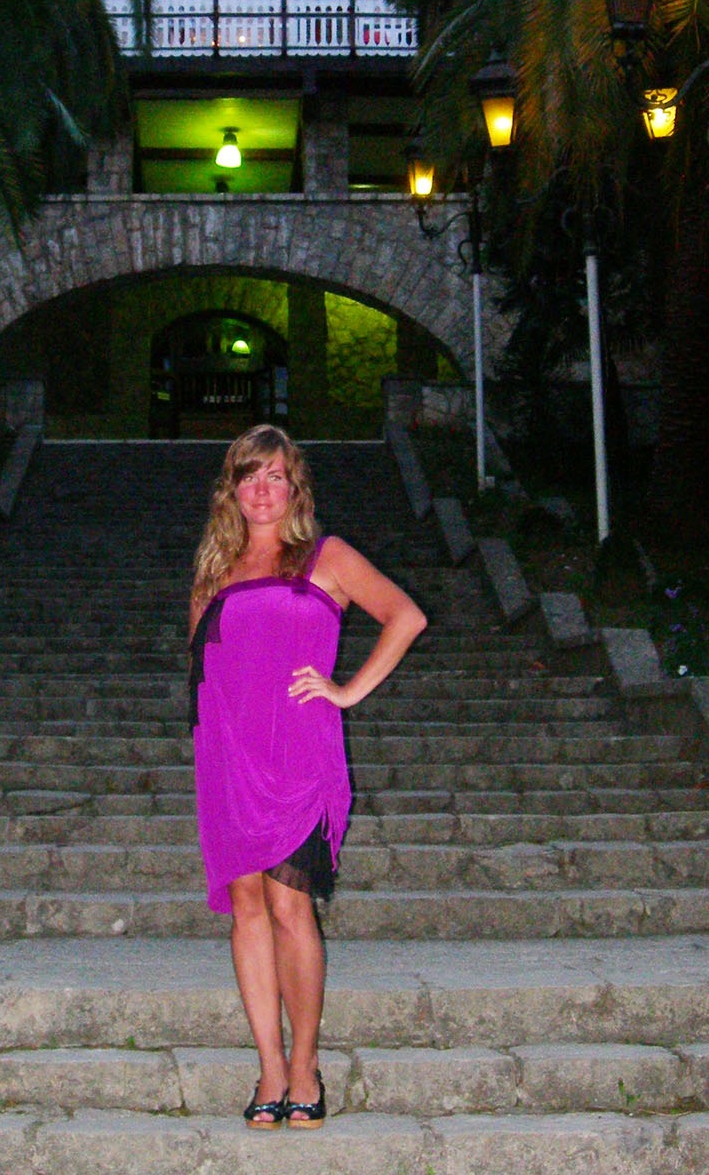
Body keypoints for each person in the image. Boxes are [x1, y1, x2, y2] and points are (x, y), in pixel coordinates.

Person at [188, 425, 427, 1130]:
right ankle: (269, 1067)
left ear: (295, 487)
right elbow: (201, 664)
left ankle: (304, 1065)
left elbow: (406, 617)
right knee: (247, 906)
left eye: (275, 475)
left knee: (291, 906)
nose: (261, 489)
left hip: (297, 753)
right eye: (248, 475)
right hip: (228, 754)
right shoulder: (215, 569)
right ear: (232, 489)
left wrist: (346, 691)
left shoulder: (328, 556)